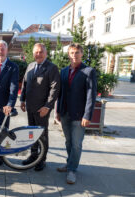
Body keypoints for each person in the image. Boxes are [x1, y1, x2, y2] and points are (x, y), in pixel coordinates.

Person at [56, 43, 97, 184]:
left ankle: (72, 170)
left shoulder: (89, 71)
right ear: (68, 54)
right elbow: (60, 93)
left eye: (77, 52)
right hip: (65, 112)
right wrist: (57, 111)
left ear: (82, 54)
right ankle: (69, 163)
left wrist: (87, 115)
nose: (75, 55)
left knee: (77, 143)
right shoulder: (63, 71)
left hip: (79, 114)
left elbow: (91, 95)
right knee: (68, 141)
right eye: (72, 52)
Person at [20, 43, 60, 171]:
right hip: (30, 107)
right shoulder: (30, 66)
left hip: (42, 108)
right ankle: (33, 155)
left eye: (41, 51)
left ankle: (42, 159)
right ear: (33, 54)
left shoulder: (52, 68)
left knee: (42, 134)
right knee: (31, 133)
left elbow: (55, 88)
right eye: (36, 52)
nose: (39, 54)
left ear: (46, 53)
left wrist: (47, 107)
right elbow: (24, 84)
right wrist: (22, 99)